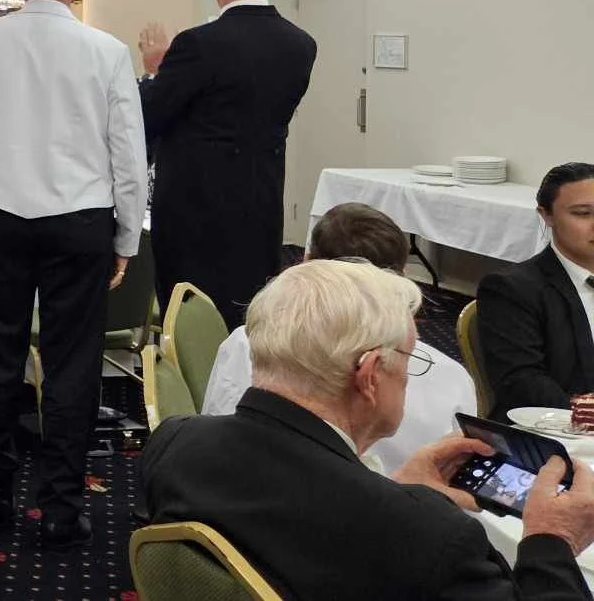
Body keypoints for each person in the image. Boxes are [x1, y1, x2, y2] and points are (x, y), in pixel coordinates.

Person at [143, 259, 594, 601]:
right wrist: (552, 542)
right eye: (409, 360)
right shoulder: (432, 536)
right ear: (372, 375)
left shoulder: (175, 443)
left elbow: (307, 518)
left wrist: (395, 490)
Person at [0, 0, 147, 546]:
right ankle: (61, 505)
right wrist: (127, 236)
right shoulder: (107, 51)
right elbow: (129, 157)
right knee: (72, 362)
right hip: (81, 222)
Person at [202, 202, 475, 472]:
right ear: (402, 279)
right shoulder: (449, 377)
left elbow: (217, 431)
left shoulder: (247, 342)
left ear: (305, 264)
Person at [138, 0, 317, 326]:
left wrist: (155, 70)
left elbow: (148, 117)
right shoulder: (301, 45)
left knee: (189, 316)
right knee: (250, 313)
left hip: (194, 213)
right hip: (261, 205)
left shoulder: (198, 44)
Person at [476, 162, 594, 418]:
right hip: (554, 427)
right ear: (546, 216)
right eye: (583, 213)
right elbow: (523, 384)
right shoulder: (511, 289)